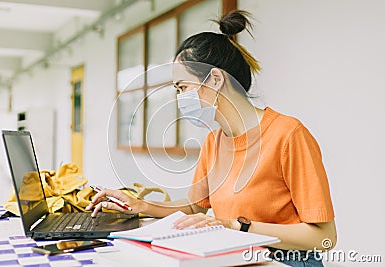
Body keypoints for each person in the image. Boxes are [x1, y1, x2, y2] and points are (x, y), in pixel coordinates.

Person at [86, 10, 336, 266]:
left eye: (182, 87)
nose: (179, 97)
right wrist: (140, 205)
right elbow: (196, 208)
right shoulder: (214, 142)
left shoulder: (288, 134)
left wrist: (235, 226)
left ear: (215, 79)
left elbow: (324, 238)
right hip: (235, 258)